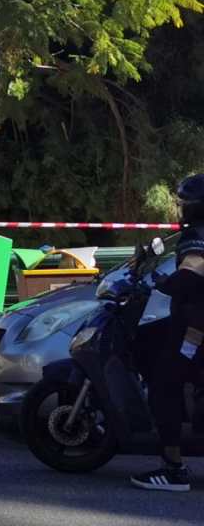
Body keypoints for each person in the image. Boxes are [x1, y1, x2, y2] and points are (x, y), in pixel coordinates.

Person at [132, 174, 204, 492]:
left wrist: (157, 283)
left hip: (195, 329)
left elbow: (190, 276)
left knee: (165, 385)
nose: (181, 207)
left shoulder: (195, 238)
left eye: (184, 201)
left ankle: (173, 469)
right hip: (195, 324)